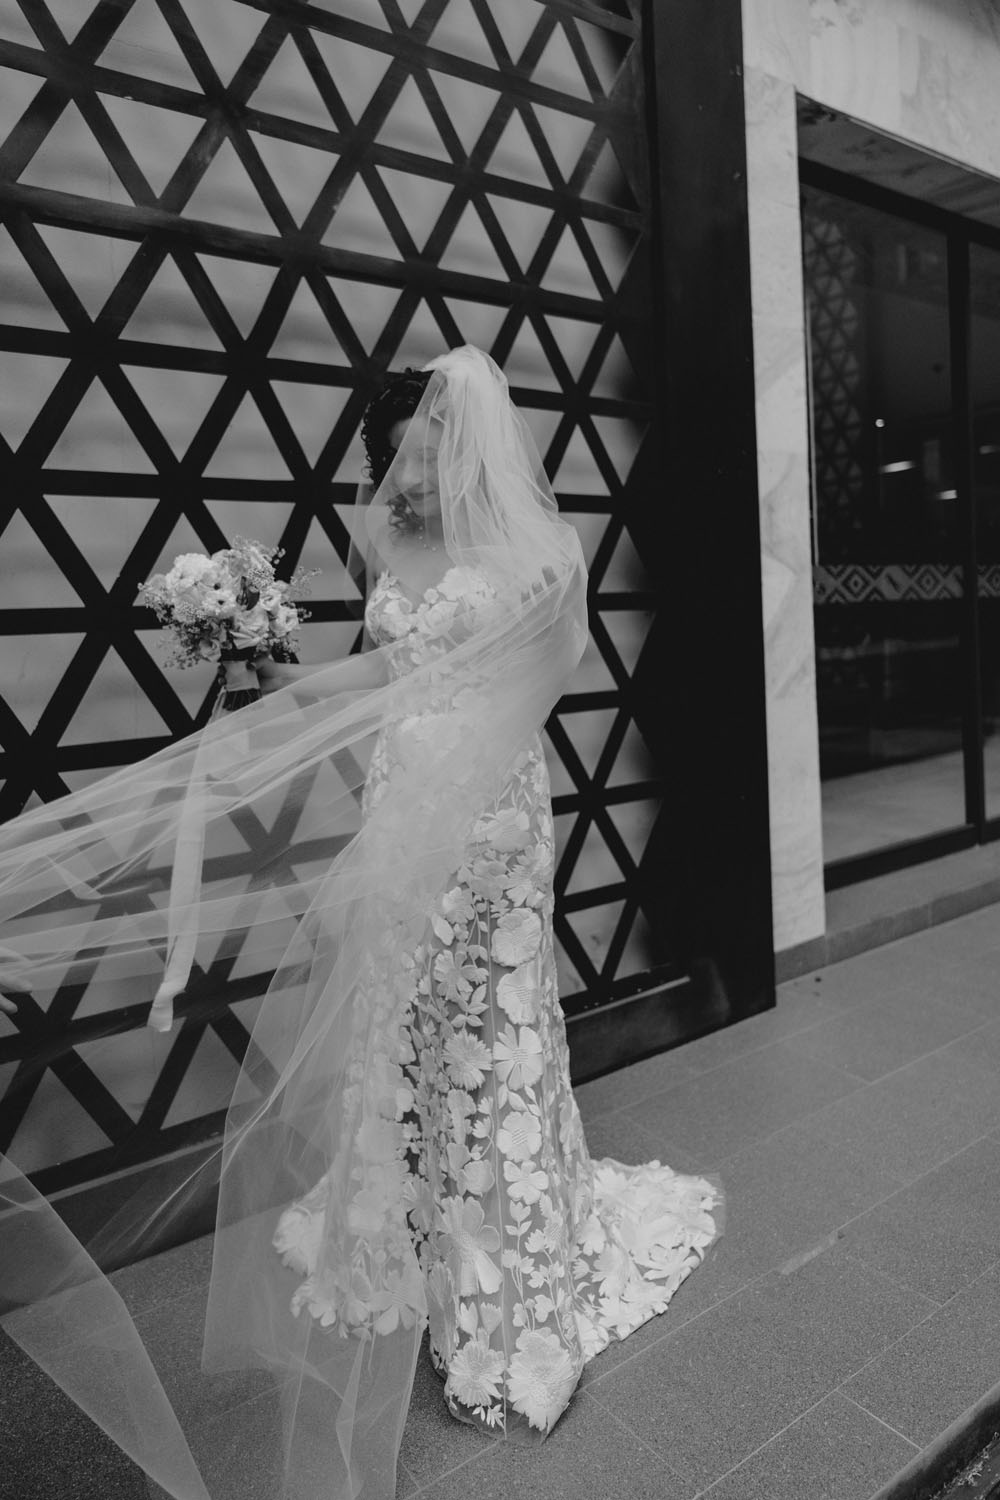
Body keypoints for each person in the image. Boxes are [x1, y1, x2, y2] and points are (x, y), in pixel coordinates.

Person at [0, 346, 721, 1498]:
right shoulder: (391, 542)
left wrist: (451, 790)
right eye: (394, 459)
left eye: (424, 456)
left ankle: (506, 1285)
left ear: (469, 446)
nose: (404, 480)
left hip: (485, 819)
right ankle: (413, 1231)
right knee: (404, 1025)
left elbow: (529, 686)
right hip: (398, 803)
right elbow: (385, 673)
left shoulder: (539, 555)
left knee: (488, 1030)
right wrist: (278, 688)